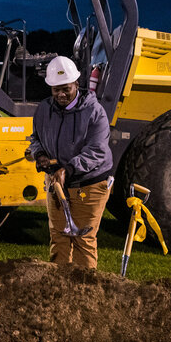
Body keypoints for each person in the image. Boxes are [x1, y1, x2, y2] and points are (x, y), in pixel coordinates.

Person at [28, 55, 113, 268]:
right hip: (56, 183)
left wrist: (68, 168)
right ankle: (60, 288)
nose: (61, 94)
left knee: (84, 239)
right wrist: (39, 155)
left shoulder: (95, 112)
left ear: (76, 83)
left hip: (90, 183)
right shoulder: (44, 110)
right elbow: (35, 139)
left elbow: (97, 151)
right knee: (59, 237)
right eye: (56, 90)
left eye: (66, 88)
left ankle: (85, 291)